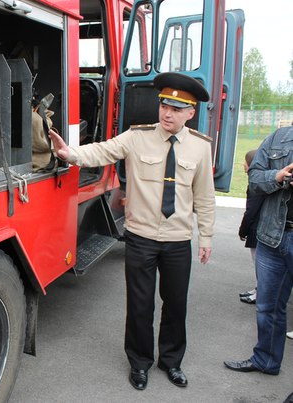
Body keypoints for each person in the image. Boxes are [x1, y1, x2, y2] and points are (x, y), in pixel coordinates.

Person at [48, 72, 214, 390]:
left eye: (177, 109)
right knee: (140, 305)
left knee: (176, 304)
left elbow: (205, 196)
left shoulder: (200, 147)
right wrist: (69, 153)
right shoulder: (137, 137)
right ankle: (139, 363)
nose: (167, 113)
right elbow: (103, 150)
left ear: (190, 113)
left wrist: (206, 236)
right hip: (141, 238)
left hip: (178, 240)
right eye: (164, 106)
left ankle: (171, 361)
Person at [224, 124, 293, 376]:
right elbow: (254, 179)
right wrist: (277, 177)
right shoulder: (278, 138)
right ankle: (265, 360)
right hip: (272, 237)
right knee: (268, 307)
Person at [238, 149, 263, 304]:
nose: (243, 164)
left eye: (245, 162)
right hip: (259, 228)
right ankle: (257, 289)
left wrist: (243, 230)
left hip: (257, 229)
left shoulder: (256, 184)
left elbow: (251, 210)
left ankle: (260, 292)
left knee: (259, 263)